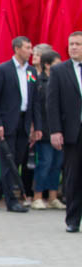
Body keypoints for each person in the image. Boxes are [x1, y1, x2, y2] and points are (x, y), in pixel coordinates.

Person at [0, 36, 41, 213]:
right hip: (7, 122)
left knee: (16, 161)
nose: (31, 51)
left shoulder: (31, 72)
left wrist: (37, 126)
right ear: (17, 49)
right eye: (27, 47)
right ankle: (11, 201)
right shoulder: (3, 69)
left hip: (24, 121)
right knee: (7, 161)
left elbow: (35, 101)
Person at [48, 31, 82, 231]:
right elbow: (52, 103)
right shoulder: (60, 71)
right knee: (73, 176)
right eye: (71, 44)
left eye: (78, 44)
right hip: (72, 132)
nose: (74, 47)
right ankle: (72, 220)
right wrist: (55, 130)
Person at [32, 50, 63, 210]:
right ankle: (37, 196)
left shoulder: (61, 81)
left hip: (59, 130)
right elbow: (36, 107)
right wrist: (36, 127)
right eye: (57, 64)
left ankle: (53, 197)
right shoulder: (38, 81)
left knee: (57, 164)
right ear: (47, 65)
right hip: (44, 130)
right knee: (45, 162)